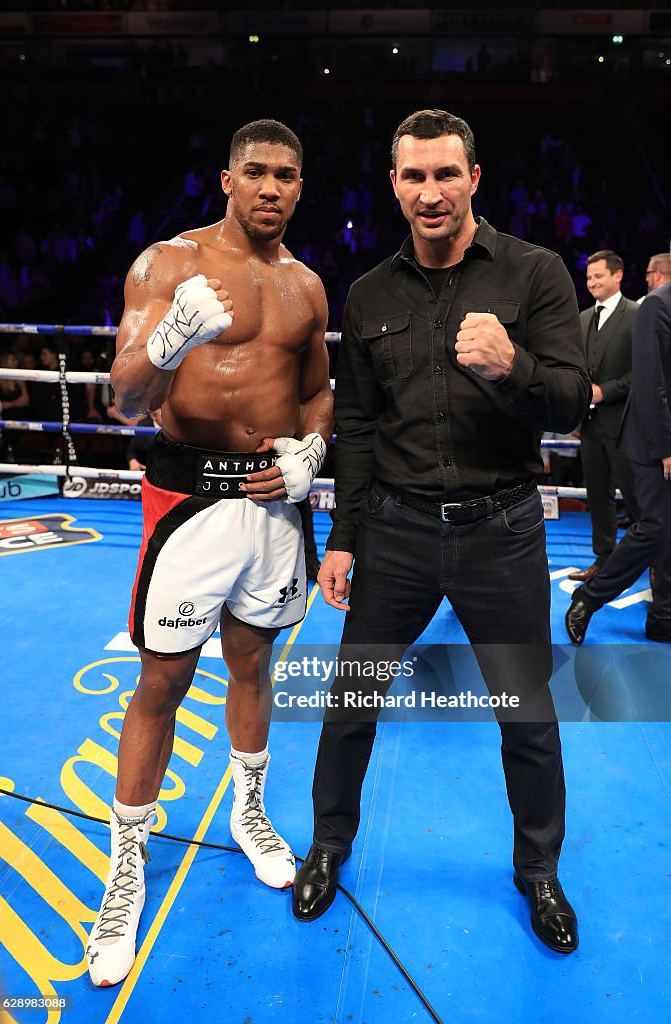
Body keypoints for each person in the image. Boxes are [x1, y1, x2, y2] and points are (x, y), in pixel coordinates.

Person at [291, 109, 590, 954]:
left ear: (473, 179)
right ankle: (329, 845)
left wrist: (516, 366)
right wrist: (341, 537)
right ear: (393, 185)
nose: (430, 192)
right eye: (413, 176)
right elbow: (355, 424)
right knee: (350, 702)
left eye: (444, 175)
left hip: (501, 529)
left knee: (527, 715)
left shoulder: (535, 275)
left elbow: (572, 402)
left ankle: (537, 871)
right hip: (392, 530)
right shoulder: (370, 294)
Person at [86, 119, 332, 987]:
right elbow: (123, 401)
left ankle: (250, 814)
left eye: (287, 176)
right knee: (162, 681)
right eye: (256, 172)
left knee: (254, 667)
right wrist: (166, 344)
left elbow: (316, 393)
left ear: (301, 188)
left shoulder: (306, 286)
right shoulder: (166, 264)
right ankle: (126, 870)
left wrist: (313, 451)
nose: (271, 188)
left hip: (272, 502)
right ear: (225, 179)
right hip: (185, 496)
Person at [566, 280, 671, 644]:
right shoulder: (657, 305)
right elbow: (649, 383)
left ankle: (663, 617)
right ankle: (590, 597)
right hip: (653, 439)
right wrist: (665, 447)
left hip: (657, 437)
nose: (591, 282)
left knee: (667, 529)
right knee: (656, 525)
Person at [568, 251, 640, 583]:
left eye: (598, 275)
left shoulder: (637, 314)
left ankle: (652, 563)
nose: (592, 282)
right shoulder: (582, 319)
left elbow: (644, 373)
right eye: (588, 277)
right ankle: (603, 560)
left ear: (618, 275)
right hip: (591, 427)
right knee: (598, 498)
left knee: (638, 499)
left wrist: (604, 391)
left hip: (627, 425)